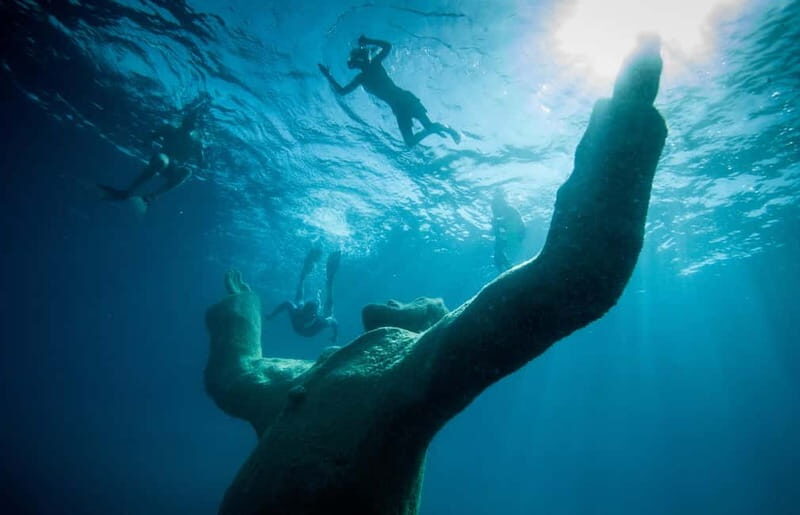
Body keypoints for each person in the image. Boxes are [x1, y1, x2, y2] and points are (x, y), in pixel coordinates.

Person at [204, 35, 667, 514]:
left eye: (416, 304)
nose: (400, 300)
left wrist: (625, 119)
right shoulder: (300, 378)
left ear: (431, 327)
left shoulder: (418, 372)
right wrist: (241, 314)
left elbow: (576, 275)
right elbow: (235, 377)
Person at [318, 35, 460, 147]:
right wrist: (328, 76)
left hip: (405, 100)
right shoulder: (362, 76)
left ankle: (442, 129)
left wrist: (368, 41)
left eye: (358, 59)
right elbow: (342, 92)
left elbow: (387, 46)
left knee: (426, 128)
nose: (360, 62)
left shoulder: (373, 65)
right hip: (399, 106)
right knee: (411, 142)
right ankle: (438, 128)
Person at [98, 98, 207, 210]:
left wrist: (201, 159)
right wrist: (146, 142)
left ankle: (151, 197)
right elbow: (152, 135)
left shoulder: (196, 142)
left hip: (174, 168)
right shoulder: (170, 129)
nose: (191, 122)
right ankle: (128, 192)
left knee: (187, 171)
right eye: (190, 119)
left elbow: (201, 162)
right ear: (185, 120)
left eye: (194, 121)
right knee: (162, 161)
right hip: (163, 158)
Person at [265, 244, 341, 342]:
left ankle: (329, 279)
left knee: (328, 313)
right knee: (299, 302)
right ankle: (308, 275)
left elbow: (334, 322)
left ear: (313, 315)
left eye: (305, 313)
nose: (303, 315)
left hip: (310, 330)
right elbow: (287, 303)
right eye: (303, 311)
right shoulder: (298, 312)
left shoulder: (320, 322)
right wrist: (271, 315)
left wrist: (335, 335)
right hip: (303, 326)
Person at [491, 189, 525, 272]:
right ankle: (506, 268)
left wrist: (499, 224)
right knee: (497, 254)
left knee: (499, 252)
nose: (494, 210)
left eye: (496, 206)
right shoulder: (499, 213)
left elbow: (517, 222)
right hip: (510, 235)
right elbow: (497, 232)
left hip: (517, 234)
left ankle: (508, 267)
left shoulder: (510, 210)